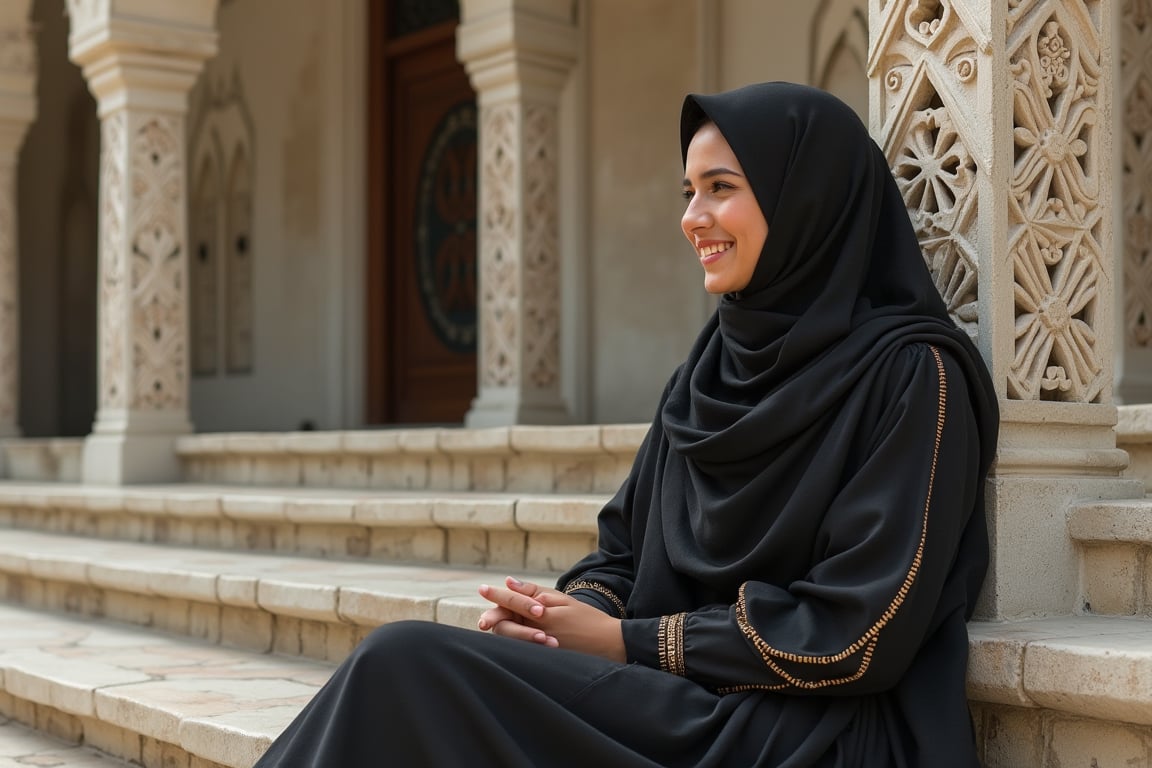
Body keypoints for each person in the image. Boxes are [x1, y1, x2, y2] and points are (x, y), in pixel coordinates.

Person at [252, 82, 998, 767]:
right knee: (414, 682)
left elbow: (860, 633)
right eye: (688, 191)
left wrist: (621, 640)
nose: (691, 218)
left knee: (406, 665)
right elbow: (621, 553)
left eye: (720, 190)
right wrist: (563, 617)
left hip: (810, 730)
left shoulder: (912, 375)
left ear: (806, 200)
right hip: (681, 699)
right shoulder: (709, 374)